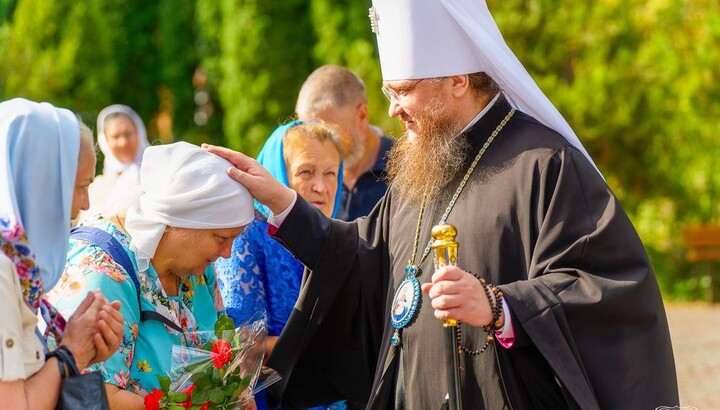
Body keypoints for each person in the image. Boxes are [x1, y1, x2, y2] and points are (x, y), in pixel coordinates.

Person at [206, 0, 680, 409]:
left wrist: (498, 304)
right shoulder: (425, 163)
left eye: (404, 90)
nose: (393, 109)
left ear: (456, 79)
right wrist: (284, 201)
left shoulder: (545, 165)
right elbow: (362, 257)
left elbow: (606, 289)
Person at [46, 142, 256, 409]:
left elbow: (218, 351)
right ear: (183, 222)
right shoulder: (102, 273)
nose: (226, 253)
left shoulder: (199, 269)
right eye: (221, 238)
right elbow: (95, 394)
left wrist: (236, 393)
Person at [0, 98, 125, 409]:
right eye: (81, 186)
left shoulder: (18, 262)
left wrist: (78, 345)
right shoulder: (3, 271)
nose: (85, 204)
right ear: (41, 183)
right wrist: (72, 352)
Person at [216, 120, 344, 410]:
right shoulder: (247, 236)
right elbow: (242, 344)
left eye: (330, 173)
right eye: (306, 172)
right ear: (277, 173)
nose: (321, 186)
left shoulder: (338, 236)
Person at [296, 65, 393, 221]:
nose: (315, 145)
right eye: (307, 133)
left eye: (327, 133)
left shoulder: (407, 169)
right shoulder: (300, 180)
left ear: (362, 116)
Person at [82, 104, 150, 220]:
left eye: (128, 134)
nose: (123, 142)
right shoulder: (97, 187)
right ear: (105, 140)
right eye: (116, 136)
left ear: (139, 133)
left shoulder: (157, 173)